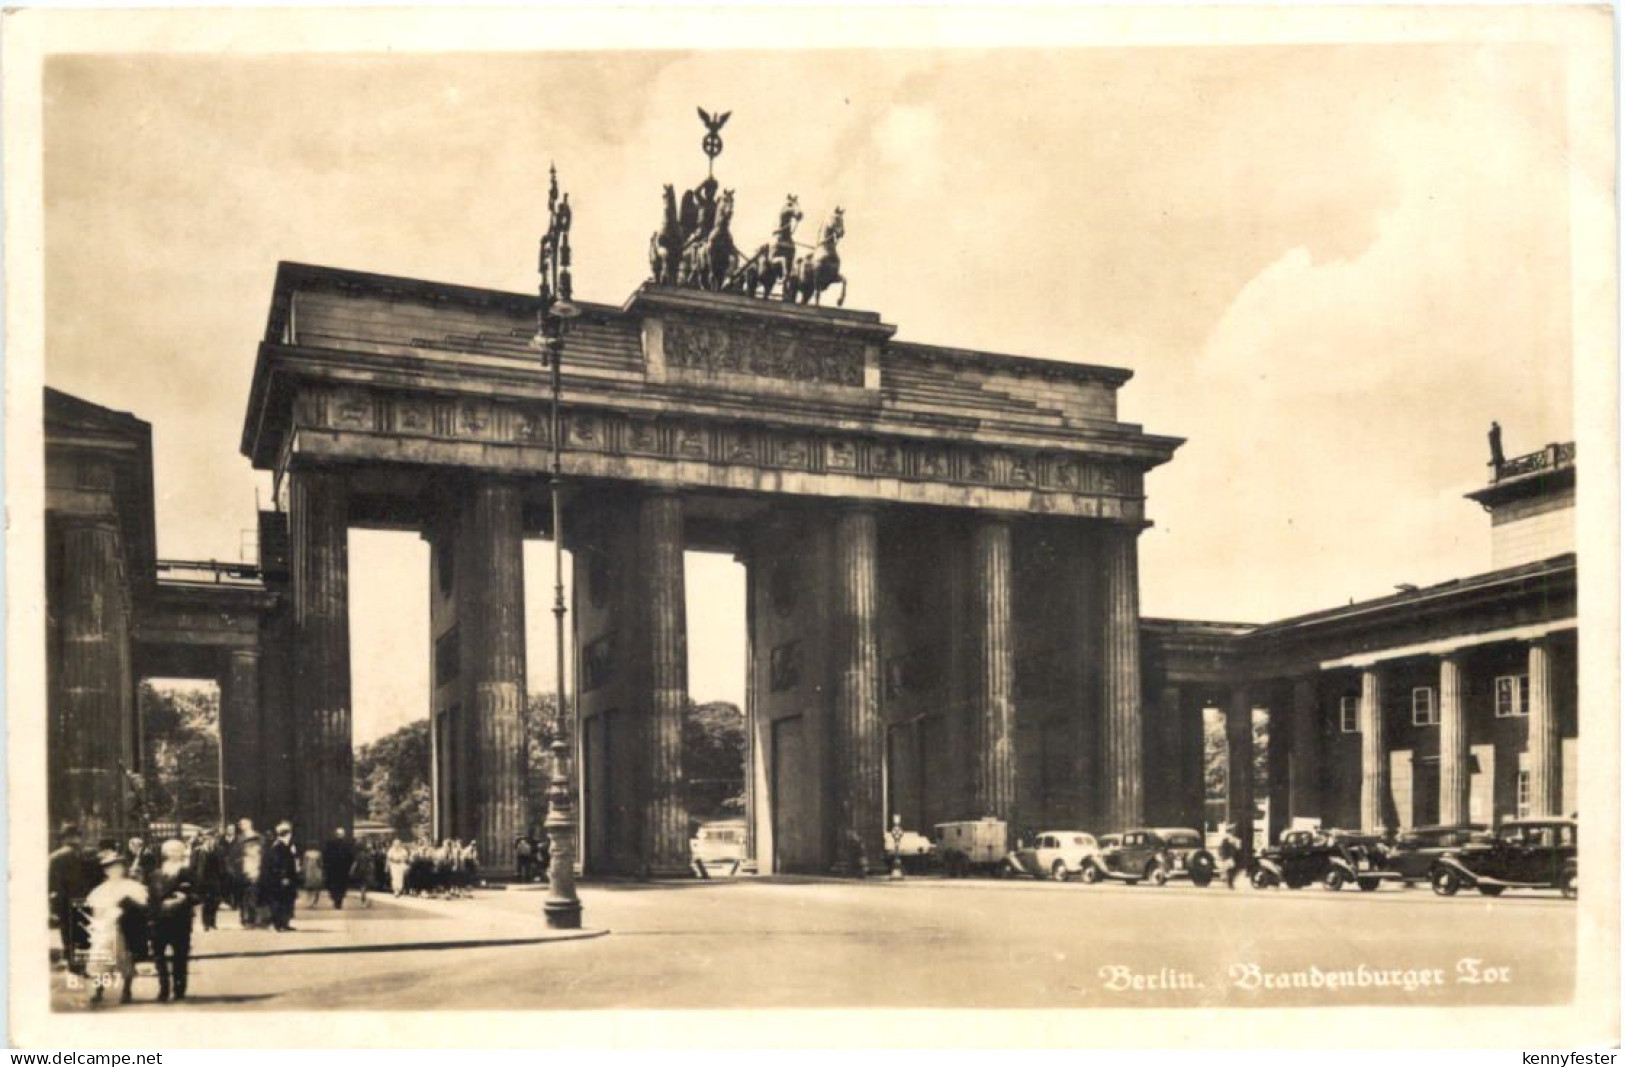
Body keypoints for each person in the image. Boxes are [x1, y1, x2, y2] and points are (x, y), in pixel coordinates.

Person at [84, 851, 148, 1005]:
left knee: (125, 957)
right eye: (111, 868)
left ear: (124, 869)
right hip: (106, 927)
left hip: (124, 927)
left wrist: (127, 908)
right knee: (101, 958)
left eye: (118, 867)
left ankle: (126, 990)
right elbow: (95, 911)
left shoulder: (132, 887)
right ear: (105, 871)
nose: (115, 871)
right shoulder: (99, 890)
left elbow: (142, 907)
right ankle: (99, 990)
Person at [145, 839, 197, 1003]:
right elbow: (149, 898)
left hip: (180, 919)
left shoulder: (188, 872)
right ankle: (163, 989)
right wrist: (151, 916)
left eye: (178, 850)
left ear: (183, 852)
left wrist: (185, 899)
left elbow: (198, 894)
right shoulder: (155, 874)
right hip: (159, 920)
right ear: (165, 853)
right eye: (171, 850)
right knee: (159, 957)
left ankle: (179, 990)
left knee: (180, 956)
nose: (174, 853)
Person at [49, 823, 99, 973]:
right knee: (83, 932)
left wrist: (54, 905)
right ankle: (82, 965)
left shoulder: (56, 856)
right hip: (85, 898)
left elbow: (53, 884)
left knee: (68, 933)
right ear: (78, 838)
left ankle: (75, 966)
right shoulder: (88, 854)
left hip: (65, 900)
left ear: (64, 839)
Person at [189, 829, 229, 932]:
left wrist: (223, 878)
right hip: (203, 880)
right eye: (207, 839)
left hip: (215, 879)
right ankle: (205, 923)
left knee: (215, 901)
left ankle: (212, 922)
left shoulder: (219, 850)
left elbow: (223, 866)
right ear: (204, 840)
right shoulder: (198, 851)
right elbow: (193, 866)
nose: (210, 841)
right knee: (205, 902)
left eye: (212, 838)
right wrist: (194, 880)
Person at [263, 821, 299, 931]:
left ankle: (284, 922)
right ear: (287, 834)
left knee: (287, 900)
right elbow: (279, 863)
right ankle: (279, 923)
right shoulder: (279, 846)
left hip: (286, 878)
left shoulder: (285, 846)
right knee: (281, 900)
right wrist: (284, 877)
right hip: (281, 879)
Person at [234, 823, 264, 928]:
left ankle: (255, 919)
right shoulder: (242, 859)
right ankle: (246, 919)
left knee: (256, 899)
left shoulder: (260, 857)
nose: (252, 848)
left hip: (257, 877)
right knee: (245, 899)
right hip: (245, 878)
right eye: (249, 846)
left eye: (254, 846)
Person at [321, 827, 355, 910]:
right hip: (343, 869)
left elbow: (326, 856)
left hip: (333, 869)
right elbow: (351, 857)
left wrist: (326, 867)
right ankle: (339, 900)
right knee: (341, 886)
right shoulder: (347, 845)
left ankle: (336, 899)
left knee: (334, 885)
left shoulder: (330, 844)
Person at [1218, 824, 1242, 890]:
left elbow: (1236, 848)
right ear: (1230, 831)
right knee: (1230, 870)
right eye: (1233, 830)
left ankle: (1228, 882)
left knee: (1231, 870)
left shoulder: (1232, 838)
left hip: (1231, 857)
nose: (1234, 831)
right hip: (1228, 857)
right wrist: (1223, 856)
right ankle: (1229, 883)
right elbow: (1222, 848)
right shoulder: (1226, 838)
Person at [301, 840, 325, 909]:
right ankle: (314, 902)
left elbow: (304, 864)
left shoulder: (306, 853)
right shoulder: (319, 854)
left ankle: (309, 902)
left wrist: (303, 871)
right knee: (316, 888)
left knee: (309, 888)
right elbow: (321, 864)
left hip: (309, 872)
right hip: (317, 872)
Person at [352, 839, 375, 908]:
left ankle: (363, 899)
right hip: (367, 871)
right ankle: (364, 899)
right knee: (365, 886)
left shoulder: (358, 855)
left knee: (362, 886)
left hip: (360, 871)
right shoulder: (368, 855)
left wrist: (352, 870)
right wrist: (372, 871)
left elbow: (355, 864)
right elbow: (371, 864)